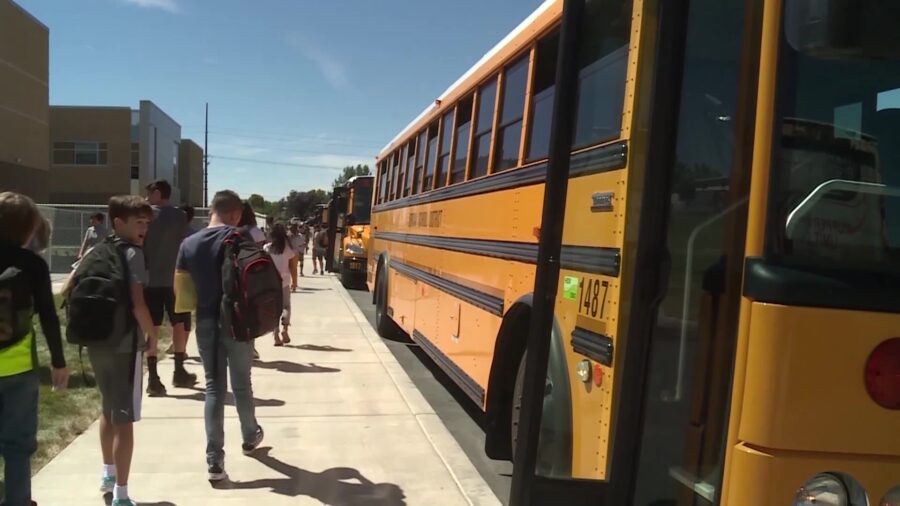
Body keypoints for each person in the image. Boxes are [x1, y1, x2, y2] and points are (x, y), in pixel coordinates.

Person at [70, 195, 156, 505]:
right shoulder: (133, 254)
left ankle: (107, 473)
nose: (144, 228)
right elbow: (138, 303)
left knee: (108, 408)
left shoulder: (97, 249)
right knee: (125, 419)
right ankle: (122, 493)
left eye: (146, 222)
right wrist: (152, 336)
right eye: (139, 222)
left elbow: (70, 285)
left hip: (95, 340)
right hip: (123, 345)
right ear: (119, 223)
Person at [175, 190, 264, 482]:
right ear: (235, 214)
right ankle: (250, 436)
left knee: (214, 388)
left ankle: (215, 459)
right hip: (237, 323)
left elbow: (183, 296)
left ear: (213, 210)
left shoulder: (188, 244)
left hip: (206, 321)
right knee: (241, 383)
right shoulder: (240, 238)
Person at [0, 192, 68, 506]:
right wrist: (57, 361)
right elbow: (49, 318)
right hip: (18, 369)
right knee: (17, 446)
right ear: (29, 228)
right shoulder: (33, 265)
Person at [143, 180, 195, 396]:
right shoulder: (180, 216)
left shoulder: (145, 215)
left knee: (151, 328)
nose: (146, 198)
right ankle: (179, 370)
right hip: (175, 280)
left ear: (157, 193)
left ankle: (153, 377)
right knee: (179, 325)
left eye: (148, 194)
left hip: (149, 279)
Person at [264, 223, 295, 346]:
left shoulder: (267, 248)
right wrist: (295, 281)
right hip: (285, 282)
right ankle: (285, 329)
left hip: (270, 283)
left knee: (274, 309)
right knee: (286, 306)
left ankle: (276, 335)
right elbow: (292, 266)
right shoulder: (287, 249)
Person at [287, 223, 301, 289]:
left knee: (293, 269)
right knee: (290, 269)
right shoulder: (288, 235)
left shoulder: (298, 235)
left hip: (295, 254)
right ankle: (292, 283)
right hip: (289, 253)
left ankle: (294, 284)